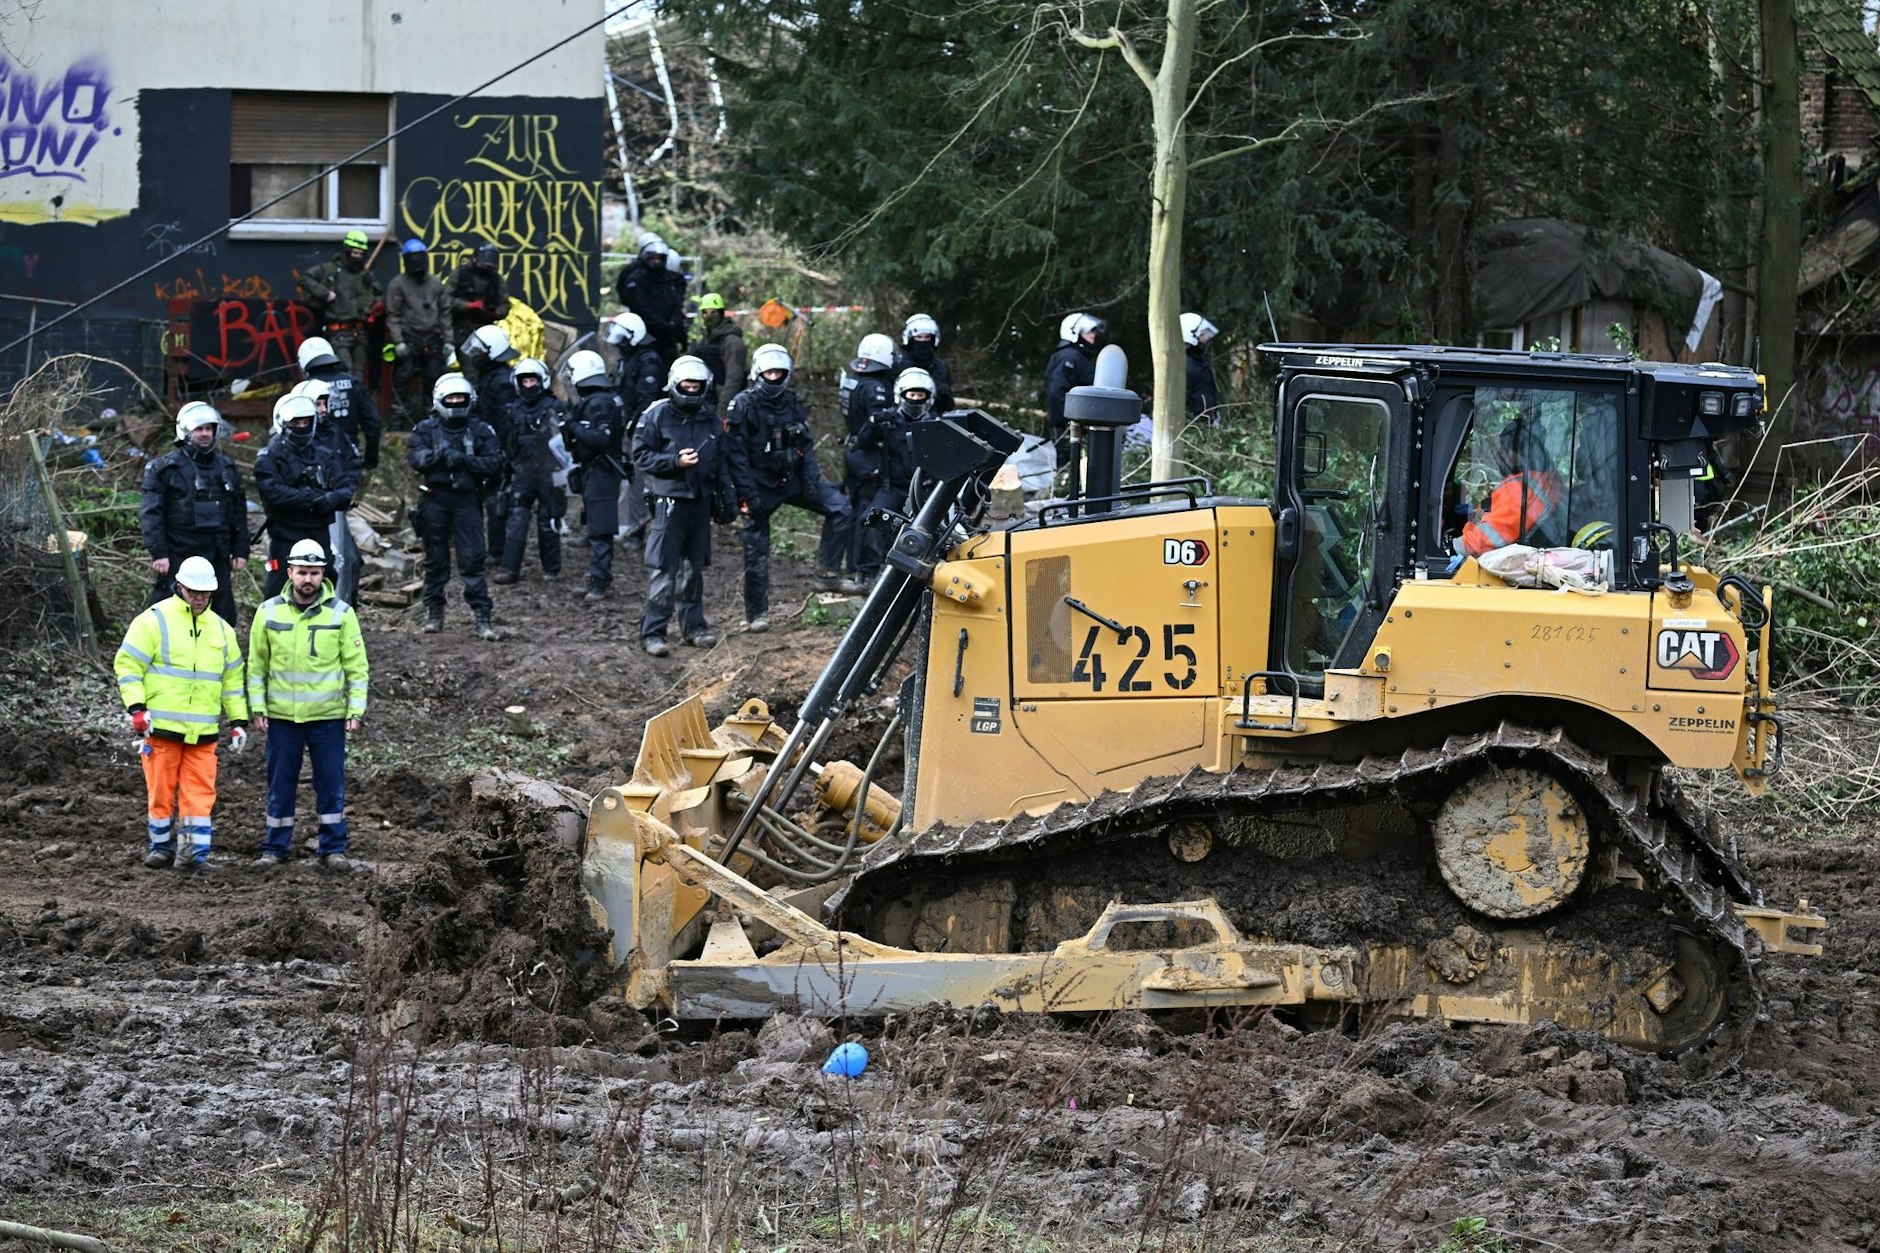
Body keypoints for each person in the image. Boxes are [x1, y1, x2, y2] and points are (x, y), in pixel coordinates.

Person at [114, 555, 248, 873]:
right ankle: (160, 847)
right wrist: (137, 708)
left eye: (204, 592)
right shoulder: (152, 620)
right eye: (193, 591)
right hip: (161, 727)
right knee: (161, 790)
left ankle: (193, 854)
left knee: (200, 793)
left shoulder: (222, 631)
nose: (199, 597)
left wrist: (239, 721)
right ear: (180, 586)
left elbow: (232, 682)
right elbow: (128, 665)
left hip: (203, 733)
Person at [248, 538, 369, 873]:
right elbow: (256, 666)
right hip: (282, 718)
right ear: (289, 572)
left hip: (327, 719)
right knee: (279, 786)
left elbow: (357, 668)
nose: (308, 580)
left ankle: (333, 850)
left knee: (331, 786)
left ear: (323, 574)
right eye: (302, 572)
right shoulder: (268, 612)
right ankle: (275, 848)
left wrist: (355, 709)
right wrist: (257, 708)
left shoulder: (342, 614)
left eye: (314, 573)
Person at [726, 344, 853, 632]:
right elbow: (735, 456)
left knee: (840, 507)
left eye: (778, 372)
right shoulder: (743, 405)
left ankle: (827, 571)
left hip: (792, 481)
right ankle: (757, 614)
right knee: (756, 551)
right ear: (759, 372)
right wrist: (747, 492)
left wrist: (810, 479)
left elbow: (805, 445)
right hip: (759, 486)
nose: (773, 377)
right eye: (769, 372)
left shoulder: (792, 402)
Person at [631, 355, 736, 656]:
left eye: (696, 386)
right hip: (669, 501)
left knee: (694, 568)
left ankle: (694, 627)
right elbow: (641, 456)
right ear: (676, 385)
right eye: (686, 385)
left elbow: (722, 461)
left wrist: (727, 498)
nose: (691, 390)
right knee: (664, 568)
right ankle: (654, 632)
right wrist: (674, 462)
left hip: (701, 502)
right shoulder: (657, 414)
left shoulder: (711, 418)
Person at [407, 372, 503, 639]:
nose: (456, 402)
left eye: (460, 398)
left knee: (472, 559)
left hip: (467, 500)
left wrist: (464, 461)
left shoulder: (481, 430)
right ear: (440, 400)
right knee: (435, 561)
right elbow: (415, 456)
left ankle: (482, 617)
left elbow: (495, 462)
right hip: (435, 500)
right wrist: (439, 456)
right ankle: (434, 613)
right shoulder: (426, 429)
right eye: (451, 398)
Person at [140, 401, 249, 628]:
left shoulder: (226, 468)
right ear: (186, 431)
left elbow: (237, 512)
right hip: (178, 553)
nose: (205, 434)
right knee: (169, 615)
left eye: (209, 429)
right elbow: (152, 514)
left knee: (222, 615)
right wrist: (158, 552)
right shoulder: (164, 469)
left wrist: (240, 550)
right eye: (199, 429)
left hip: (217, 553)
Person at [254, 392, 358, 600]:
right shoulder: (270, 456)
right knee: (279, 586)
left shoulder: (323, 454)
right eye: (296, 422)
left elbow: (345, 487)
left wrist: (330, 500)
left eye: (305, 421)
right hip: (286, 533)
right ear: (285, 423)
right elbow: (273, 492)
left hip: (319, 532)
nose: (301, 426)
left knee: (326, 581)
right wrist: (311, 499)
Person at [561, 349, 631, 603]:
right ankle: (597, 577)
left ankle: (599, 582)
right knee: (595, 525)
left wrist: (573, 426)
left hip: (603, 469)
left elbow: (601, 439)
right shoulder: (598, 399)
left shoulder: (599, 402)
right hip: (595, 470)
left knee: (601, 530)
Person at [855, 367, 936, 581]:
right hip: (893, 488)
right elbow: (862, 444)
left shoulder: (936, 424)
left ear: (929, 396)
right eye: (912, 394)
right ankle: (867, 573)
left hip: (926, 490)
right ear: (901, 395)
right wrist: (872, 425)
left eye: (920, 395)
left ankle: (923, 576)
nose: (916, 399)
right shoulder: (888, 420)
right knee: (869, 520)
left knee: (938, 530)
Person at [493, 357, 569, 584]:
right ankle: (509, 569)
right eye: (524, 381)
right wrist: (506, 471)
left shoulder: (556, 407)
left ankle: (552, 569)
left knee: (549, 520)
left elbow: (566, 443)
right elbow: (507, 442)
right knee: (516, 519)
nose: (528, 386)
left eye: (532, 381)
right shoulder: (512, 410)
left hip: (550, 473)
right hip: (522, 472)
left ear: (542, 381)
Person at [1458, 421, 1567, 557]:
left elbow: (1475, 545)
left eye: (1504, 448)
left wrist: (1449, 549)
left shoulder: (1520, 490)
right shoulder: (1547, 482)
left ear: (1520, 453)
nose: (1499, 454)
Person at [459, 324, 521, 557]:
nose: (475, 356)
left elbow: (504, 424)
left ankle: (497, 551)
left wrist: (502, 455)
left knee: (496, 501)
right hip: (485, 448)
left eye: (480, 352)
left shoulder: (502, 381)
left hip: (496, 451)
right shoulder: (489, 377)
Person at [840, 332, 897, 578]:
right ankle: (866, 569)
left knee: (855, 510)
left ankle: (853, 565)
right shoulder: (875, 388)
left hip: (853, 451)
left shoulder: (851, 380)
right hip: (869, 456)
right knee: (869, 513)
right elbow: (879, 424)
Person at [603, 311, 662, 546]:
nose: (619, 346)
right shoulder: (625, 359)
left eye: (623, 341)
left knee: (637, 480)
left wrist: (633, 425)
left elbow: (646, 398)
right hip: (619, 426)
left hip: (636, 429)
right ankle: (606, 525)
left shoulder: (648, 360)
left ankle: (637, 529)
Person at [296, 336, 380, 491]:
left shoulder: (305, 389)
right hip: (348, 459)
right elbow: (373, 423)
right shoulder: (352, 383)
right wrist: (370, 461)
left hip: (313, 462)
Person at [295, 229, 382, 373]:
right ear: (347, 251)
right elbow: (304, 279)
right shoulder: (330, 270)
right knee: (345, 369)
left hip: (361, 332)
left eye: (361, 254)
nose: (358, 257)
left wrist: (375, 307)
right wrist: (325, 293)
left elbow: (378, 294)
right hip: (338, 331)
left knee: (360, 371)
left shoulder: (365, 275)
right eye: (355, 253)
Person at [385, 238, 447, 427]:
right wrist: (398, 342)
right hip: (409, 337)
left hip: (433, 338)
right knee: (402, 379)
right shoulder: (398, 283)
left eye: (420, 257)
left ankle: (433, 420)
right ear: (405, 260)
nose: (416, 261)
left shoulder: (435, 283)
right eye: (412, 258)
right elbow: (392, 315)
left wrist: (449, 341)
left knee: (433, 379)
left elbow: (445, 312)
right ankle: (396, 422)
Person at [616, 232, 687, 365]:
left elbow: (675, 303)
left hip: (666, 336)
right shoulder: (637, 277)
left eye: (660, 258)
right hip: (645, 334)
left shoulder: (668, 278)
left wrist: (677, 328)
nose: (657, 262)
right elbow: (640, 306)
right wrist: (662, 324)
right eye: (653, 258)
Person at [1044, 312, 1104, 462]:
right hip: (1068, 428)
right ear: (1074, 332)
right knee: (1068, 468)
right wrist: (1068, 421)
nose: (1093, 335)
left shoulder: (1080, 358)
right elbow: (1056, 392)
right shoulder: (1069, 357)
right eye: (1088, 331)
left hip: (1077, 426)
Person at [447, 243, 511, 347]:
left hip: (486, 329)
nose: (486, 267)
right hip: (461, 327)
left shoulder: (497, 280)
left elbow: (505, 304)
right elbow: (446, 300)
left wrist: (496, 313)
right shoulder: (459, 274)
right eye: (483, 264)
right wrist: (467, 305)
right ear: (475, 259)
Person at [690, 293, 747, 411]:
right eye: (705, 312)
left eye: (713, 312)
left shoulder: (732, 341)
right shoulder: (707, 338)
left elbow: (734, 379)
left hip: (722, 401)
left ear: (721, 313)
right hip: (706, 399)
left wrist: (723, 409)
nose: (708, 316)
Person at [894, 313, 955, 414]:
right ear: (910, 338)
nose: (923, 341)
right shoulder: (898, 365)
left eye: (927, 337)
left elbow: (948, 405)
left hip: (934, 418)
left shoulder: (941, 367)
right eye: (919, 337)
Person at [1180, 312, 1220, 424]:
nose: (1207, 337)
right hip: (1194, 427)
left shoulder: (1199, 361)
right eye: (1202, 334)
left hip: (1207, 424)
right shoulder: (1185, 365)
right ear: (1190, 336)